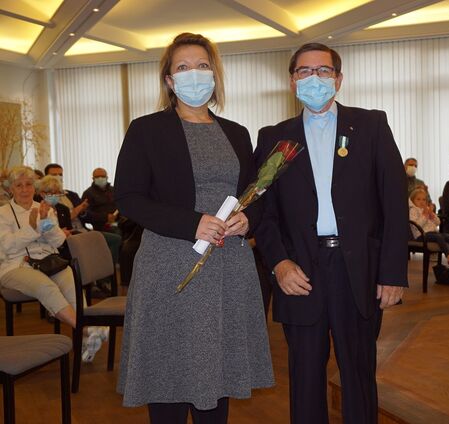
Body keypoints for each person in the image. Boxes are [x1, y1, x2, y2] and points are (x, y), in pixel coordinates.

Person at [114, 32, 273, 424]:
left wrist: (248, 218)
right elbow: (129, 197)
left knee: (216, 375)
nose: (194, 75)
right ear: (169, 80)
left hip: (228, 269)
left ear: (215, 74)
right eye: (182, 68)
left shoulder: (236, 132)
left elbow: (256, 193)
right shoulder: (146, 129)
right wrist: (192, 223)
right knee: (168, 375)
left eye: (202, 66)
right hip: (169, 266)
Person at [254, 42, 408, 424]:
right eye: (304, 72)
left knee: (358, 373)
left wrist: (392, 272)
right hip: (299, 274)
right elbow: (263, 212)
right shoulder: (274, 136)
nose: (314, 79)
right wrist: (279, 264)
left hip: (357, 271)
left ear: (339, 79)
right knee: (304, 378)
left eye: (323, 71)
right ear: (292, 82)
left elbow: (394, 202)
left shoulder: (371, 125)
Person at [0, 167, 107, 362]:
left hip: (49, 262)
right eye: (19, 185)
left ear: (35, 187)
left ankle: (86, 341)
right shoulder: (3, 213)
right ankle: (87, 329)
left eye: (29, 184)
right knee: (45, 286)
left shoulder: (44, 208)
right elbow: (7, 247)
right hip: (15, 266)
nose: (24, 190)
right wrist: (33, 227)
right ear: (11, 189)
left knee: (73, 285)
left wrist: (45, 222)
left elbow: (58, 241)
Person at [409, 188, 449, 268]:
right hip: (421, 235)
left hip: (432, 233)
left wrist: (432, 215)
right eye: (418, 199)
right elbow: (416, 225)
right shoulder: (413, 210)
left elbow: (438, 222)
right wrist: (425, 215)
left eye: (424, 200)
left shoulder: (427, 209)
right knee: (439, 236)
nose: (422, 202)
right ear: (412, 200)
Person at [82, 168, 119, 232]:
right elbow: (86, 215)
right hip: (101, 225)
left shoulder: (114, 190)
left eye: (102, 176)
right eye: (97, 177)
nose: (100, 178)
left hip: (119, 221)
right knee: (117, 232)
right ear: (93, 178)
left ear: (107, 177)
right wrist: (105, 217)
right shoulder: (88, 193)